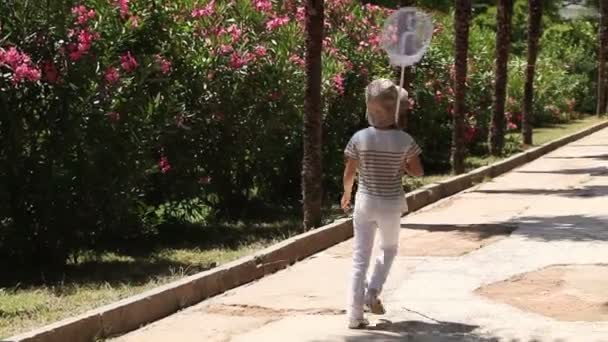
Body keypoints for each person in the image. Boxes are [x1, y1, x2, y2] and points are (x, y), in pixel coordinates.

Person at [341, 78, 424, 329]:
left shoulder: (359, 137)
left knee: (360, 257)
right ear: (396, 110)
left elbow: (349, 172)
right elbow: (418, 172)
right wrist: (405, 165)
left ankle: (354, 316)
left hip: (365, 202)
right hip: (391, 204)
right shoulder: (405, 140)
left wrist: (346, 194)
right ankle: (373, 292)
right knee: (389, 249)